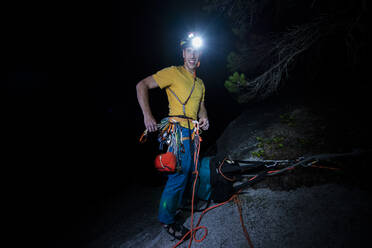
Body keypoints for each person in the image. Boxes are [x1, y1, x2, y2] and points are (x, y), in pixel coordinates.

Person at [136, 32, 209, 240]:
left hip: (193, 132)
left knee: (189, 171)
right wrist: (147, 115)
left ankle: (176, 207)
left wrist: (205, 118)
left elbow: (201, 106)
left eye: (195, 51)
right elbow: (141, 85)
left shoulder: (201, 83)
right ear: (183, 53)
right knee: (178, 173)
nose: (192, 55)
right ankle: (166, 219)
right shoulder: (173, 72)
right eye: (188, 51)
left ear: (200, 53)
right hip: (177, 131)